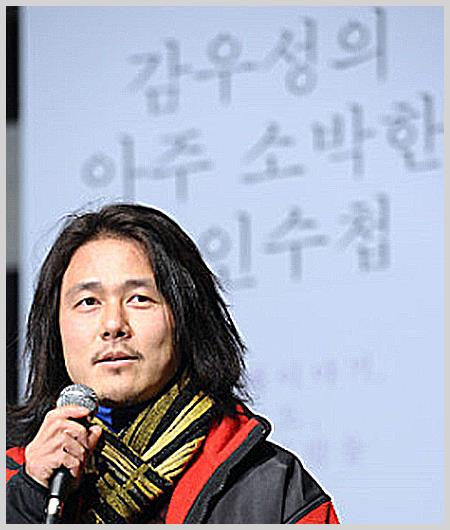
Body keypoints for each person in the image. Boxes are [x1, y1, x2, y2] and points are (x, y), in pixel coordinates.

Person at [6, 202, 340, 524]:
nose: (113, 325)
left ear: (186, 318)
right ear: (54, 328)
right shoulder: (16, 476)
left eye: (139, 299)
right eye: (89, 302)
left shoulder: (272, 488)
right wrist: (27, 498)